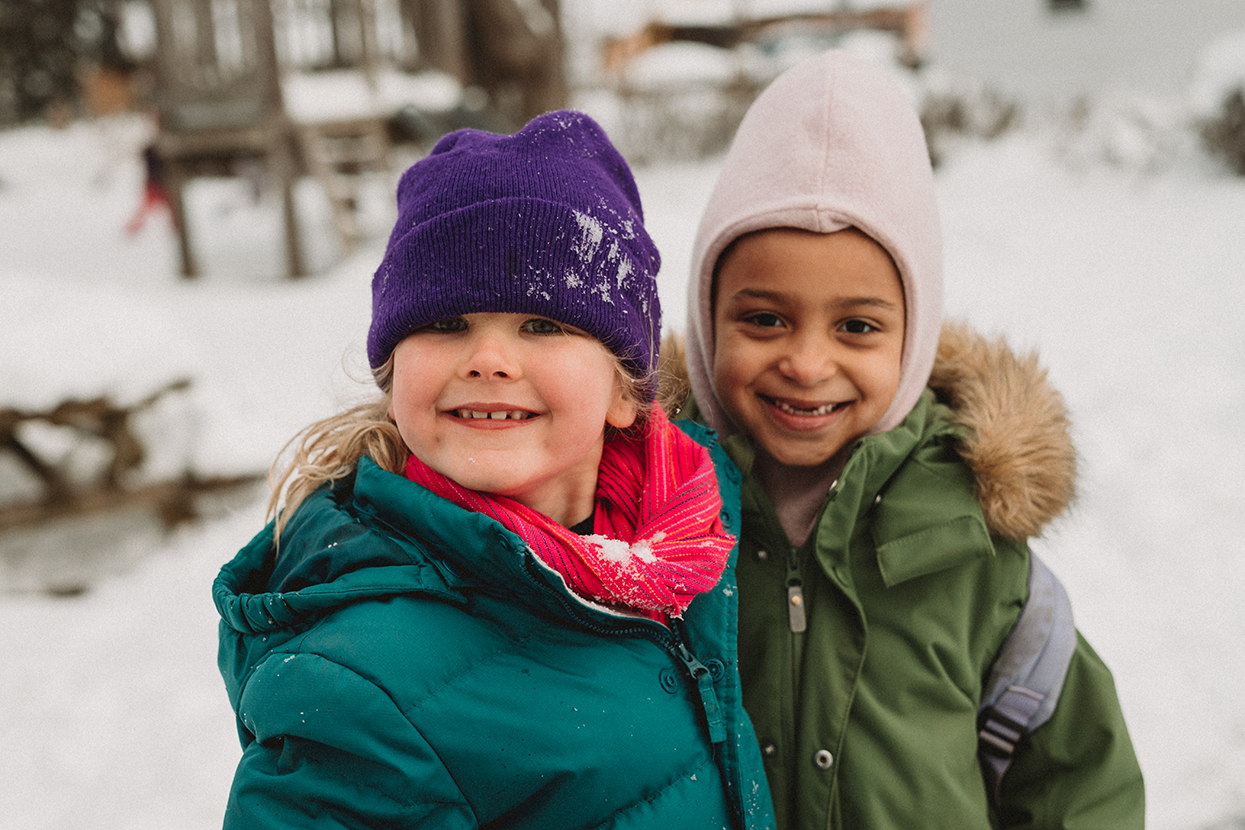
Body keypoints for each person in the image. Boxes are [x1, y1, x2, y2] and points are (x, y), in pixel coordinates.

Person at [214, 110, 775, 830]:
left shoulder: (695, 529)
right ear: (392, 377)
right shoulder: (363, 687)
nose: (487, 359)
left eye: (542, 325)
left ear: (623, 390)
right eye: (447, 324)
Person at [677, 50, 1145, 828]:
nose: (805, 362)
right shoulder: (644, 519)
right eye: (764, 319)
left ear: (913, 338)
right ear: (706, 319)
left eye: (856, 327)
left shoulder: (974, 549)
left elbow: (1078, 784)